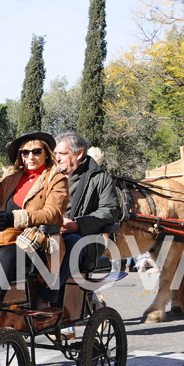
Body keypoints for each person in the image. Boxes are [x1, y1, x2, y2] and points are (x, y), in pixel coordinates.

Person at [0, 130, 69, 332]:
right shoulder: (13, 177)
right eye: (25, 153)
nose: (30, 157)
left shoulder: (56, 178)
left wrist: (15, 217)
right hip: (8, 238)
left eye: (36, 151)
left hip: (40, 244)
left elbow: (52, 213)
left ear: (46, 153)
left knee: (7, 253)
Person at [42, 130, 121, 307]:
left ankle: (50, 300)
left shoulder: (99, 178)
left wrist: (78, 225)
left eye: (62, 154)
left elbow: (110, 211)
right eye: (55, 154)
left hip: (84, 239)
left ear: (79, 154)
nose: (57, 158)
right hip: (47, 234)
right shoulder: (48, 176)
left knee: (72, 243)